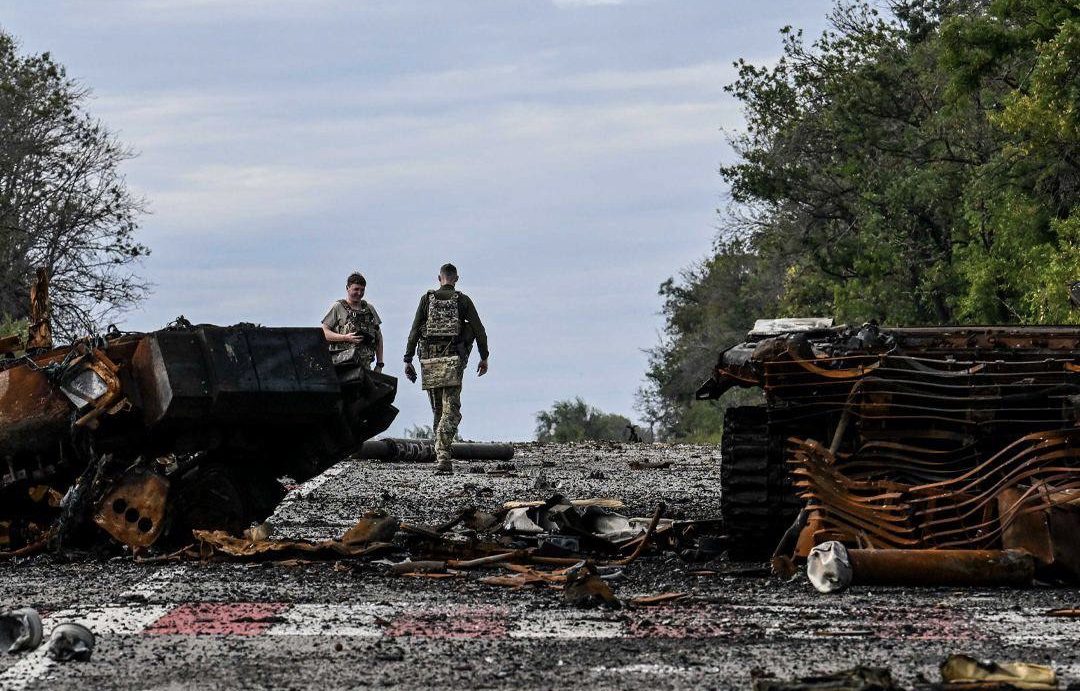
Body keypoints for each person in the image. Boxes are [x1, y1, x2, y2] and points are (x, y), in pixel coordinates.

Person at [404, 263, 489, 473]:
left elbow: (415, 330)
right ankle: (443, 455)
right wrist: (483, 357)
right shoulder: (463, 300)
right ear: (456, 279)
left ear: (439, 278)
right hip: (453, 359)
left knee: (438, 410)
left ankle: (440, 453)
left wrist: (407, 359)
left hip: (429, 360)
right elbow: (479, 330)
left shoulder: (427, 299)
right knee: (451, 410)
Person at [321, 272, 384, 371]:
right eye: (356, 289)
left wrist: (379, 364)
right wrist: (345, 337)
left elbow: (378, 337)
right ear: (347, 288)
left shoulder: (369, 309)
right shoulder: (338, 307)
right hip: (342, 365)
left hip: (365, 366)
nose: (359, 293)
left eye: (362, 290)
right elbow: (324, 333)